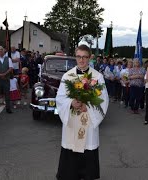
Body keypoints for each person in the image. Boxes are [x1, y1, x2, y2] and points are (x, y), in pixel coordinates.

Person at [55, 44, 109, 180]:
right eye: (79, 57)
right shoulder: (68, 76)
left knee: (88, 152)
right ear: (75, 57)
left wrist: (88, 106)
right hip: (72, 122)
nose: (82, 60)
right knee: (70, 156)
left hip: (88, 122)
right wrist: (71, 103)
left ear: (90, 57)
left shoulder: (97, 77)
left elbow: (103, 99)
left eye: (85, 57)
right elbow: (60, 98)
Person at [0, 46, 14, 114]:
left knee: (7, 94)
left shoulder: (8, 59)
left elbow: (10, 68)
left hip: (6, 79)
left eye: (2, 50)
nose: (0, 51)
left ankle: (8, 108)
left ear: (4, 51)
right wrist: (0, 74)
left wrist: (4, 74)